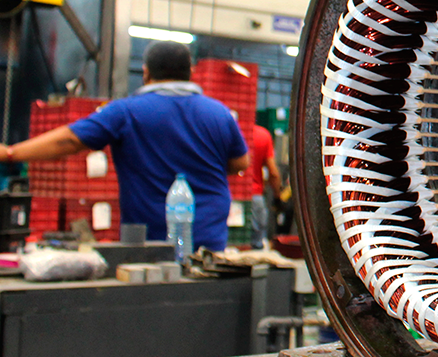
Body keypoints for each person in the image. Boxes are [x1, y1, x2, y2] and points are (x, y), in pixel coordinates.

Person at [0, 41, 249, 251]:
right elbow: (240, 163)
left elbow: (70, 140)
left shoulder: (126, 111)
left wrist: (12, 153)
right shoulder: (219, 113)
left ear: (146, 72)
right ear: (191, 72)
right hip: (210, 243)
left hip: (151, 244)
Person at [245, 122, 283, 250]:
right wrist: (278, 197)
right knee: (257, 247)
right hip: (255, 196)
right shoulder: (262, 135)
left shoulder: (231, 132)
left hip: (230, 195)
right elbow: (273, 173)